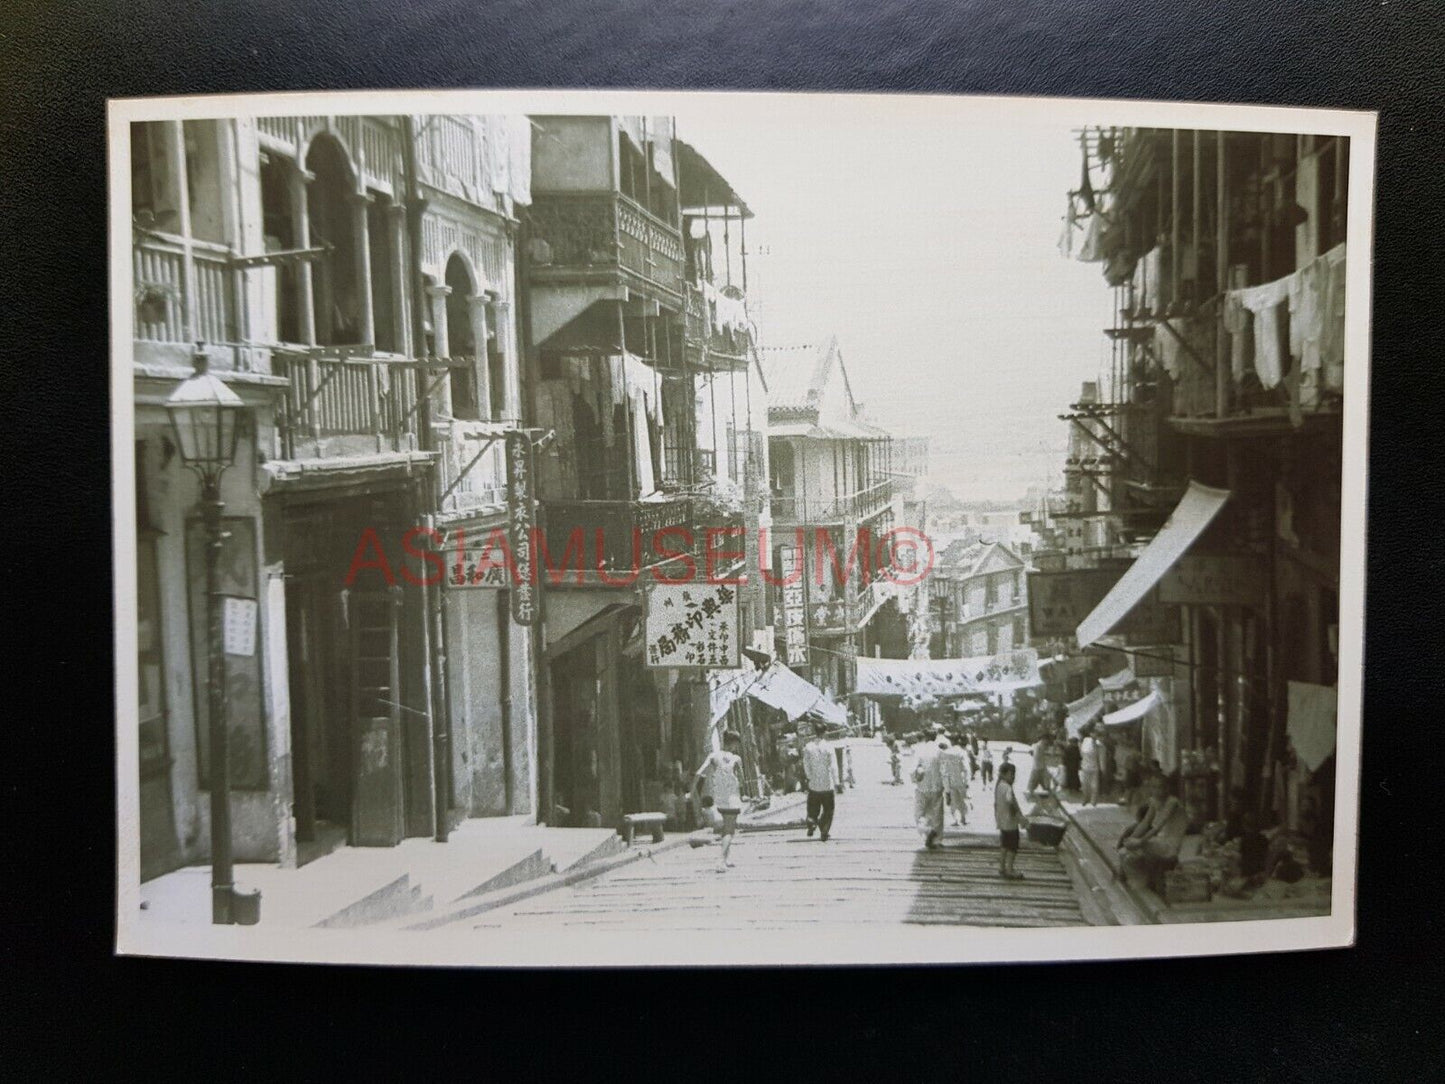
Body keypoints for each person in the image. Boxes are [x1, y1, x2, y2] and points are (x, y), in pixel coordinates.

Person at [1115, 773, 1189, 887]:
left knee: (1131, 851)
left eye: (1160, 787)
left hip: (1170, 845)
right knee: (1124, 851)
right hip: (1159, 841)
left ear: (1167, 788)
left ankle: (1140, 883)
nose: (1157, 791)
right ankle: (1136, 882)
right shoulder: (1155, 802)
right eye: (1154, 787)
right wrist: (1131, 839)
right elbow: (1145, 823)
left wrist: (1140, 841)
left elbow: (1158, 826)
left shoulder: (1172, 802)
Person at [693, 731, 745, 872]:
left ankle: (727, 858)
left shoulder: (713, 756)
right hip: (732, 797)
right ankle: (720, 860)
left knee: (725, 829)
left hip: (719, 797)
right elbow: (741, 780)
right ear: (734, 743)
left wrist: (692, 791)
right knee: (729, 830)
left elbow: (699, 773)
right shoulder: (736, 759)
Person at [801, 725, 839, 841]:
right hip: (827, 784)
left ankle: (812, 821)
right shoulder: (829, 747)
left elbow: (806, 764)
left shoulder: (808, 747)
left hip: (814, 784)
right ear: (825, 732)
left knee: (813, 807)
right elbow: (833, 766)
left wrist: (809, 777)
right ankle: (824, 830)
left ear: (814, 732)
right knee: (828, 809)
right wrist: (837, 781)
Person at [913, 734, 947, 849]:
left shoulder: (919, 750)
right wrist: (946, 787)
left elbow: (912, 768)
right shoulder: (940, 752)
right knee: (937, 813)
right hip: (937, 787)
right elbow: (944, 770)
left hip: (922, 787)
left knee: (919, 813)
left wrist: (915, 779)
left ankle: (926, 830)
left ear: (926, 738)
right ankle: (937, 839)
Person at [995, 762, 1027, 880]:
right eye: (1011, 775)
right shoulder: (1007, 788)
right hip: (1010, 822)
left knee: (1004, 845)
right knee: (1013, 847)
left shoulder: (999, 785)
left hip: (1002, 822)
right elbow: (1011, 803)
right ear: (1005, 774)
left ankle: (1002, 867)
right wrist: (1020, 817)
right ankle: (1010, 870)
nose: (1013, 777)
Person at [940, 736, 970, 827]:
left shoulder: (946, 753)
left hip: (951, 779)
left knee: (954, 801)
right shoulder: (962, 752)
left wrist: (945, 784)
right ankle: (964, 818)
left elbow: (944, 769)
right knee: (963, 799)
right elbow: (966, 768)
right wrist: (967, 780)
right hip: (961, 779)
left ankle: (956, 819)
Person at [1079, 729, 1101, 806]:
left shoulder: (1099, 744)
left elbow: (1100, 757)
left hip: (1094, 767)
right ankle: (1085, 799)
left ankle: (1093, 801)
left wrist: (1102, 768)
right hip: (1085, 766)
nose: (1094, 735)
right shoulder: (1086, 740)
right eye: (1093, 733)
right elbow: (1081, 753)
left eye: (1096, 734)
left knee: (1094, 786)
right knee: (1085, 784)